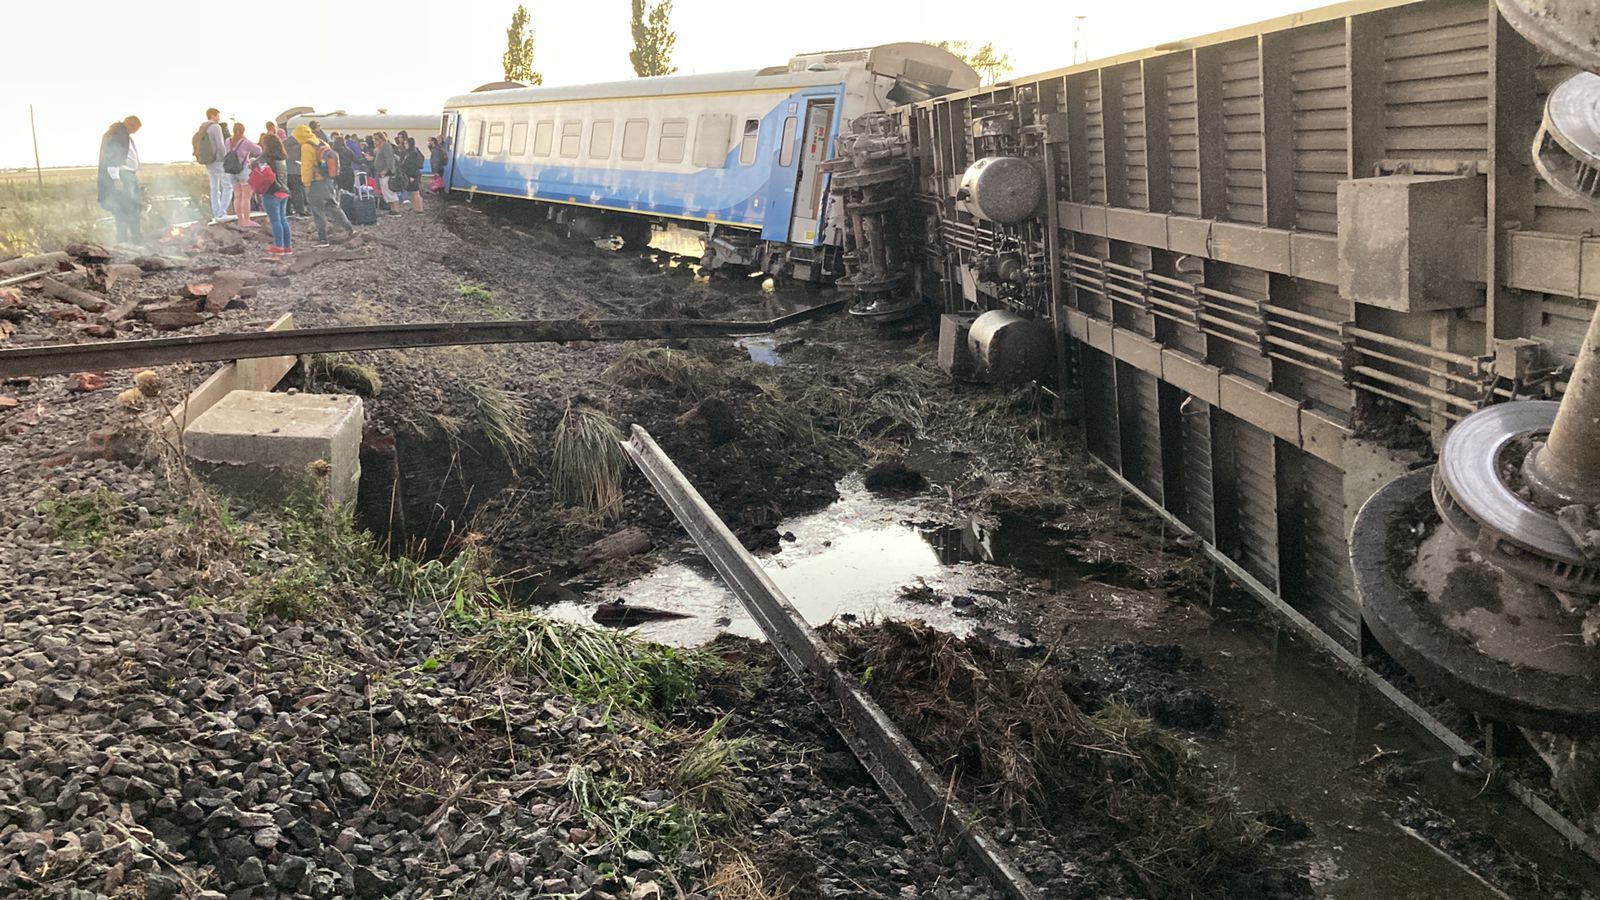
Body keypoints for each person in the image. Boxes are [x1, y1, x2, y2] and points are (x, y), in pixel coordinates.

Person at [295, 124, 353, 246]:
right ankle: (349, 229)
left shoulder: (306, 146)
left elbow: (307, 167)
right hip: (328, 181)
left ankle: (323, 238)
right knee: (333, 207)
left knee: (317, 211)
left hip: (316, 182)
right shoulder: (321, 142)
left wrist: (306, 183)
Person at [97, 116, 143, 245]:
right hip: (123, 176)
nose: (135, 131)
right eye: (135, 128)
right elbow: (112, 158)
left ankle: (133, 237)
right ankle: (127, 239)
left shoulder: (123, 135)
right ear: (130, 124)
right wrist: (116, 179)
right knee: (125, 208)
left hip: (129, 175)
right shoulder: (117, 135)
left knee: (133, 207)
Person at [258, 133, 293, 255]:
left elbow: (254, 165)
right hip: (284, 191)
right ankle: (287, 247)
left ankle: (279, 247)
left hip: (271, 192)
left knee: (275, 220)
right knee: (283, 219)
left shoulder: (266, 157)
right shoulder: (282, 157)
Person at [199, 108, 231, 223]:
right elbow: (220, 145)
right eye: (217, 115)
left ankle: (216, 212)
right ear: (212, 115)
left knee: (214, 187)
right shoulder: (215, 127)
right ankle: (222, 213)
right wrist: (224, 158)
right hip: (218, 160)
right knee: (228, 186)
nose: (219, 118)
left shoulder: (203, 127)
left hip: (208, 161)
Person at [227, 123, 261, 227]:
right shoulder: (245, 142)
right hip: (243, 170)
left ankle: (240, 220)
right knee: (246, 197)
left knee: (237, 196)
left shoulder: (227, 141)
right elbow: (259, 150)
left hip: (231, 171)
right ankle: (247, 220)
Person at [282, 127, 308, 217]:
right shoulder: (301, 144)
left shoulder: (284, 143)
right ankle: (300, 210)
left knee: (286, 191)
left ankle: (287, 210)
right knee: (298, 191)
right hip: (296, 170)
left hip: (285, 170)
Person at [372, 132, 401, 215]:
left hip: (386, 174)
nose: (374, 141)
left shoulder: (386, 146)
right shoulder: (380, 148)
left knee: (390, 192)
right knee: (387, 192)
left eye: (376, 139)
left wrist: (386, 170)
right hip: (381, 174)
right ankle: (392, 209)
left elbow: (390, 159)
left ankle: (396, 210)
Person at [401, 137, 425, 212]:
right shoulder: (409, 153)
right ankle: (417, 208)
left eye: (406, 143)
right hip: (409, 175)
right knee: (414, 193)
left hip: (412, 175)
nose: (405, 145)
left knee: (415, 192)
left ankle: (419, 208)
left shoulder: (413, 153)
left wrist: (412, 176)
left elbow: (414, 165)